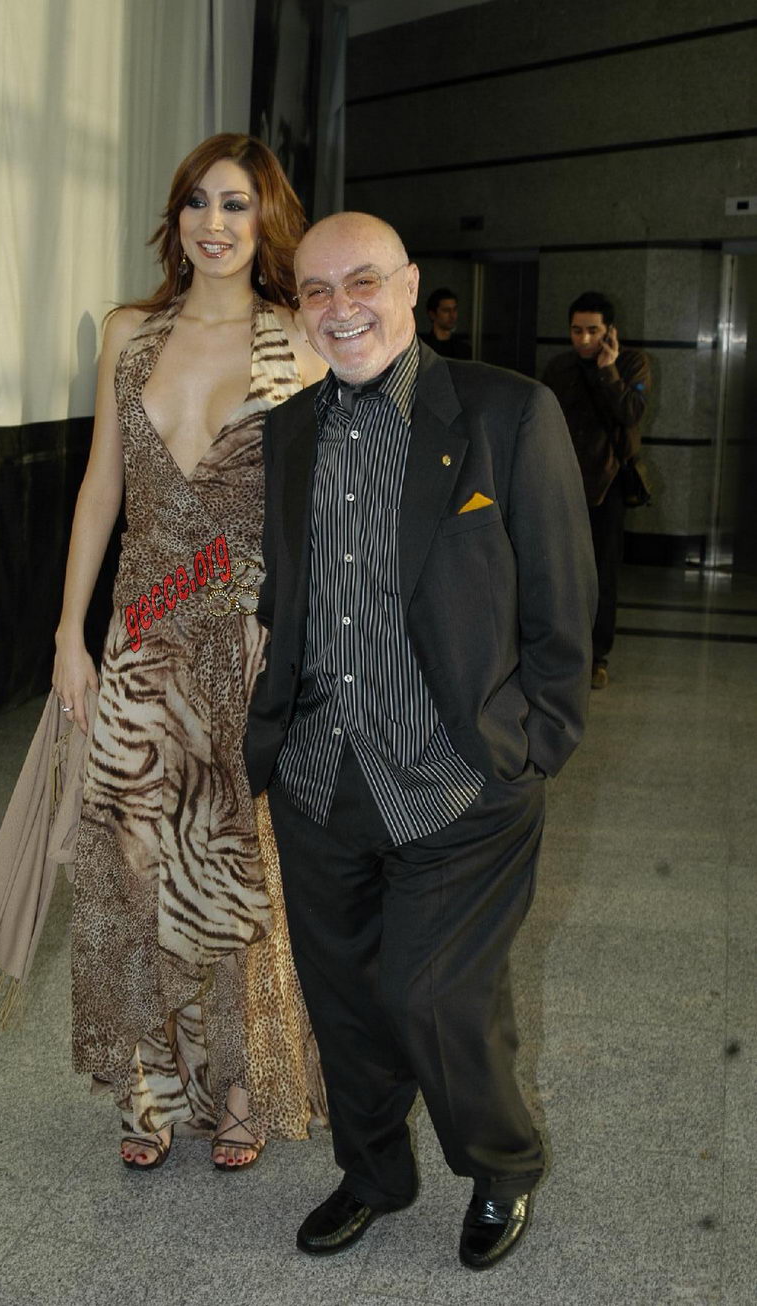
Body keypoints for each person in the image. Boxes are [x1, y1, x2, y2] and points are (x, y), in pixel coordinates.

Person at [244, 212, 596, 1269]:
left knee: (431, 994)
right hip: (320, 776)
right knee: (345, 1001)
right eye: (315, 290)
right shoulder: (287, 430)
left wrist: (532, 744)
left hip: (458, 777)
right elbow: (289, 589)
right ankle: (372, 1174)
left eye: (361, 281)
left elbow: (562, 599)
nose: (340, 307)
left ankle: (501, 1165)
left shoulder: (507, 414)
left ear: (408, 286)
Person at [53, 133, 327, 1171]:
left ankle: (243, 1084)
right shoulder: (130, 332)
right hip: (140, 638)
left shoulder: (296, 339)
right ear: (175, 218)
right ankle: (151, 1087)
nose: (215, 223)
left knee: (237, 866)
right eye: (199, 202)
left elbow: (326, 503)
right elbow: (101, 489)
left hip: (248, 643)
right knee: (134, 866)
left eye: (237, 205)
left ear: (266, 224)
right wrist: (69, 636)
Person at [541, 291, 651, 689]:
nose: (584, 339)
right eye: (576, 331)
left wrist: (608, 371)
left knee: (603, 573)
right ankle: (561, 652)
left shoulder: (632, 364)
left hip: (608, 484)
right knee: (558, 572)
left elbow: (631, 413)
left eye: (593, 331)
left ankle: (597, 657)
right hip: (563, 484)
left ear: (610, 332)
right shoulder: (559, 368)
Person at [419, 285, 471, 358]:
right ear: (432, 314)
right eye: (446, 310)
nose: (452, 315)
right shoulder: (423, 349)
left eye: (454, 310)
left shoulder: (463, 349)